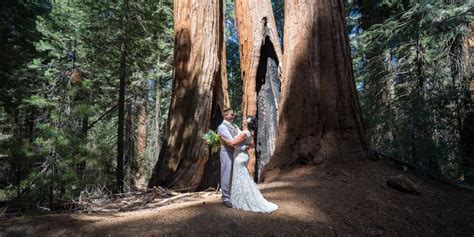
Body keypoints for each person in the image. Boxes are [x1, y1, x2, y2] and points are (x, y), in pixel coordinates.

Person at [219, 116, 278, 213]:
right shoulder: (247, 133)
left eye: (244, 120)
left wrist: (222, 137)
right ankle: (240, 196)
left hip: (240, 158)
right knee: (241, 178)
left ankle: (246, 198)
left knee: (241, 178)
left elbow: (233, 143)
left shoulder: (244, 133)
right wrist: (245, 146)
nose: (242, 121)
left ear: (246, 123)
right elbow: (242, 145)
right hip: (241, 156)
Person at [217, 108, 240, 208]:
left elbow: (240, 135)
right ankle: (226, 198)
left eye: (233, 114)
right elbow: (232, 141)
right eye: (231, 114)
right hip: (226, 152)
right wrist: (242, 144)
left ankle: (233, 195)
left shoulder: (234, 126)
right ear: (225, 115)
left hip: (235, 152)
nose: (233, 116)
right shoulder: (222, 127)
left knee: (234, 173)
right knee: (226, 173)